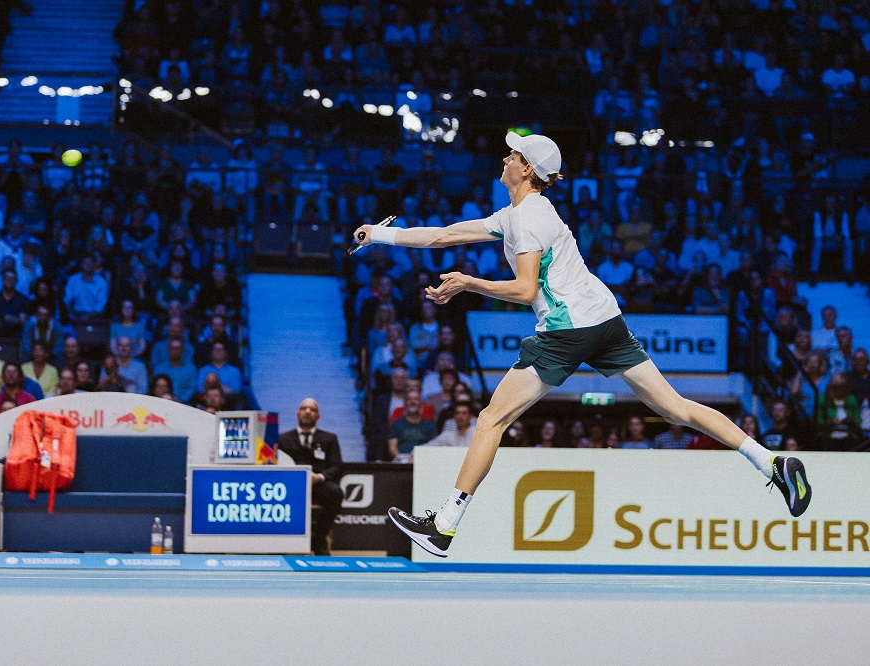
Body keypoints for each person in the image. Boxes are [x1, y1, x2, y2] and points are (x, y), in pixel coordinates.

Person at [356, 131, 812, 558]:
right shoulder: (515, 214)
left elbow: (526, 291)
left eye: (513, 155)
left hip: (567, 328)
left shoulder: (530, 218)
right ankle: (771, 462)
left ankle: (445, 526)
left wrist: (468, 282)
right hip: (604, 319)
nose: (505, 158)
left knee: (491, 419)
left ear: (528, 169)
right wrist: (377, 233)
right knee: (675, 407)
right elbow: (444, 234)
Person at [277, 399, 343, 556]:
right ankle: (284, 542)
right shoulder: (282, 438)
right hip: (291, 486)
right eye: (304, 408)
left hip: (317, 485)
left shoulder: (329, 438)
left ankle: (318, 540)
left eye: (312, 409)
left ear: (318, 416)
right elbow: (275, 464)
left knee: (335, 493)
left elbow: (337, 466)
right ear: (297, 413)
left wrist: (320, 477)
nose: (307, 411)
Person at [387, 390, 438, 461]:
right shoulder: (396, 424)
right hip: (400, 462)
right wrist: (404, 461)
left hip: (423, 461)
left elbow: (434, 448)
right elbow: (392, 448)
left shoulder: (430, 425)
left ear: (421, 403)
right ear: (405, 403)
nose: (412, 402)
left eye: (416, 399)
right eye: (409, 399)